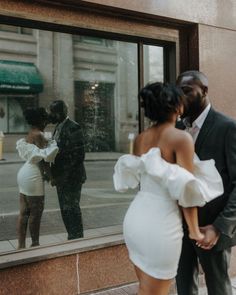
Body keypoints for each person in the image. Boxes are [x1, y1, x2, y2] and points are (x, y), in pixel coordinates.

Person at [113, 82, 223, 295]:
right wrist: (194, 231)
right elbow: (186, 191)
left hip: (136, 219)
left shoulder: (140, 138)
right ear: (177, 106)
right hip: (161, 222)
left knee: (145, 289)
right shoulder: (181, 138)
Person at [176, 70, 236, 295]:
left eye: (187, 91)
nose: (181, 97)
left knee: (218, 288)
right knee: (183, 287)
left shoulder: (227, 127)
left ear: (205, 91)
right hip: (180, 228)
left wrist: (219, 228)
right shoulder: (178, 129)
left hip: (211, 228)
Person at [16, 107, 58, 249]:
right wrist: (52, 177)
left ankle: (21, 245)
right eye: (45, 118)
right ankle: (35, 244)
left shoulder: (30, 133)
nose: (47, 121)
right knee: (36, 213)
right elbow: (43, 160)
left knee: (24, 212)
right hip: (34, 175)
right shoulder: (39, 135)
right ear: (40, 120)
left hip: (24, 173)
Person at [48, 100, 86, 240]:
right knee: (65, 209)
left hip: (72, 178)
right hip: (61, 178)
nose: (51, 115)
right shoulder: (58, 127)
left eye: (53, 112)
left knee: (72, 209)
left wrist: (63, 176)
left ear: (61, 112)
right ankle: (71, 235)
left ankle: (77, 237)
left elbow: (79, 156)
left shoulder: (73, 127)